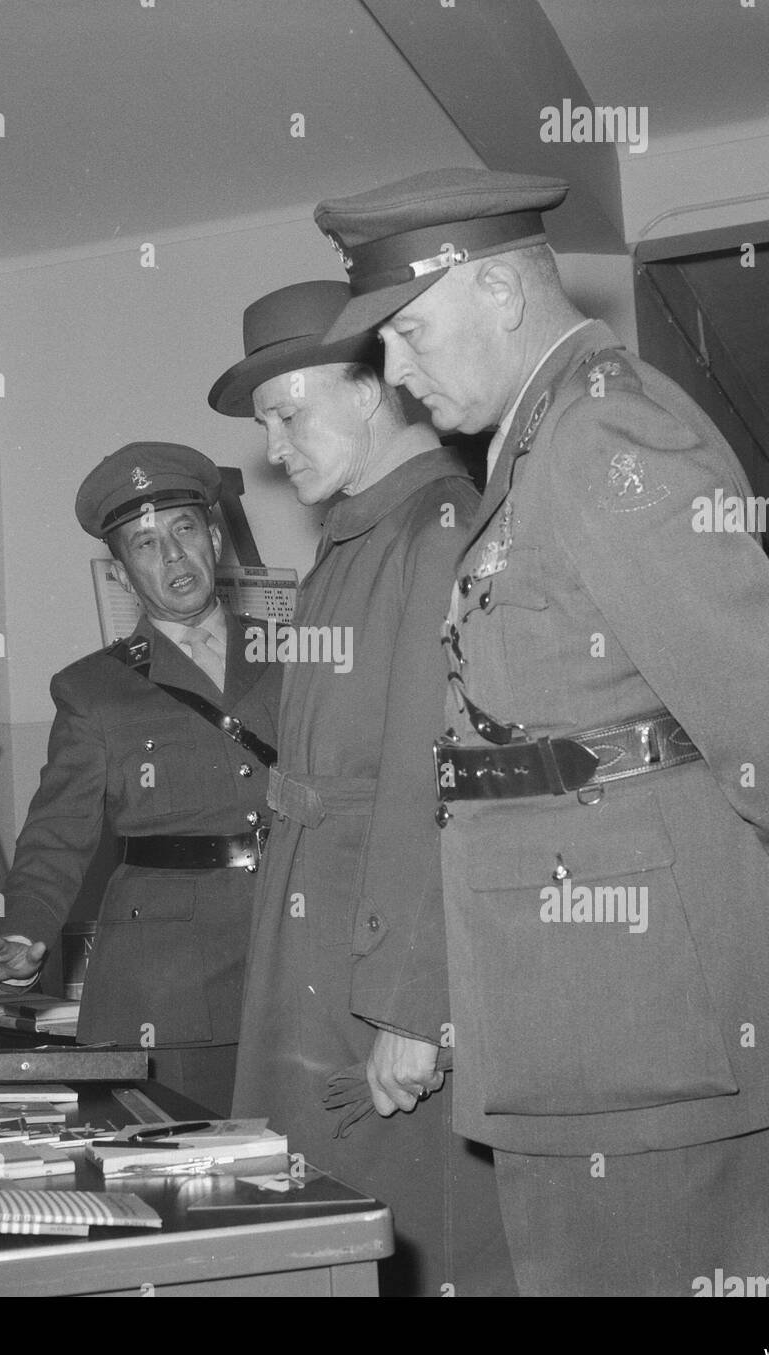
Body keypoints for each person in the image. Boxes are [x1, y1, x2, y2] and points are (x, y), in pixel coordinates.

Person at [313, 166, 769, 1296]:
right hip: (590, 1027)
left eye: (406, 333)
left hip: (660, 1037)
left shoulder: (610, 436)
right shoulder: (540, 446)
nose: (395, 376)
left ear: (501, 291)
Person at [207, 280, 510, 1295]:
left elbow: (446, 780)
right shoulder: (354, 537)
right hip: (319, 937)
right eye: (265, 423)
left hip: (373, 963)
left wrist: (410, 1004)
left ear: (374, 389)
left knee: (395, 1227)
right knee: (315, 1221)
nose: (276, 445)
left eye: (289, 413)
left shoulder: (438, 530)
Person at [0, 445, 279, 1115]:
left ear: (214, 537)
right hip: (171, 985)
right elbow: (55, 836)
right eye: (145, 544)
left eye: (184, 530)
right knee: (192, 1173)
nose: (173, 557)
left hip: (292, 956)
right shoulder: (94, 689)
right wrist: (22, 934)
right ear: (122, 574)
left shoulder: (292, 655)